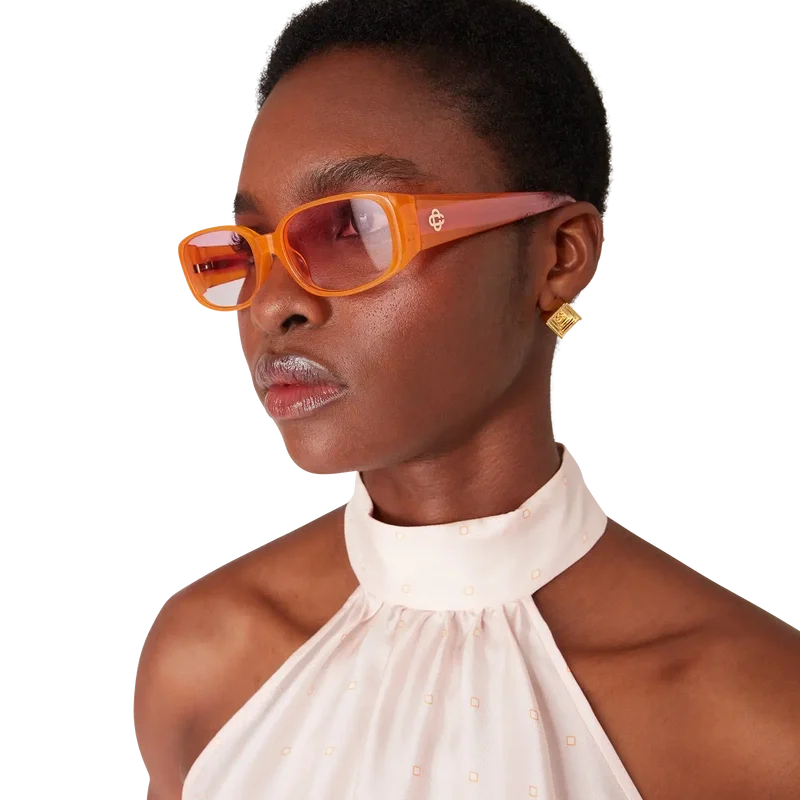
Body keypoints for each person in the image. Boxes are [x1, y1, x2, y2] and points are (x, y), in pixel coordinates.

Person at [135, 1, 800, 798]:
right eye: (249, 250)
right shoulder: (204, 665)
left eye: (353, 229)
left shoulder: (760, 724)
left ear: (559, 257)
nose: (273, 304)